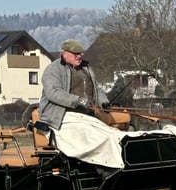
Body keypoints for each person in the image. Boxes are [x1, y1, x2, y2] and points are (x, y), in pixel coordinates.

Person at [38, 39, 124, 178]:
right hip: (62, 116)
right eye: (75, 53)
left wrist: (104, 102)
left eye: (81, 53)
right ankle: (105, 168)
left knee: (112, 134)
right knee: (96, 136)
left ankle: (116, 164)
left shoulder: (86, 69)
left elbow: (97, 89)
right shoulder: (53, 70)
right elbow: (53, 93)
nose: (79, 56)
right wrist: (78, 101)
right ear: (64, 54)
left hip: (86, 116)